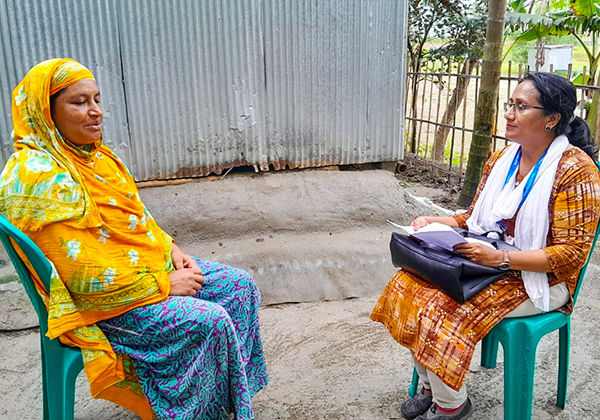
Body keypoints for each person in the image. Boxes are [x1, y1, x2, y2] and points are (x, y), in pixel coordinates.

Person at [0, 58, 268, 420]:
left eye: (97, 100)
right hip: (99, 307)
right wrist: (164, 285)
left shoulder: (98, 159)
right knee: (210, 319)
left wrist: (171, 248)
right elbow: (83, 281)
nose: (96, 111)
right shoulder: (37, 177)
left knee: (239, 286)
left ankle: (223, 404)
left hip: (141, 275)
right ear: (46, 113)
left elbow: (136, 220)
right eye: (79, 102)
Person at [372, 72, 600, 420]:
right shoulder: (502, 160)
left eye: (521, 107)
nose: (508, 113)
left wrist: (501, 258)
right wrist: (437, 223)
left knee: (443, 305)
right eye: (510, 104)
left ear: (552, 119)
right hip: (489, 262)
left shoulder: (575, 171)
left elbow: (571, 256)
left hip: (541, 280)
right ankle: (432, 387)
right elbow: (475, 218)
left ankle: (451, 406)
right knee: (408, 285)